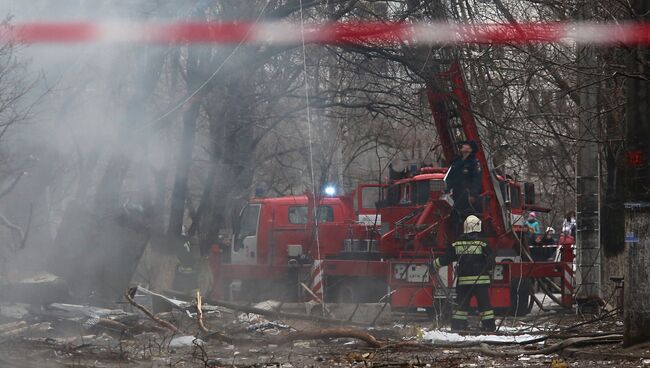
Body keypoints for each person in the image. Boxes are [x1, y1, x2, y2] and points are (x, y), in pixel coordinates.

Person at [432, 215, 496, 332]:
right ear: (478, 226)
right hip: (481, 282)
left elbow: (447, 258)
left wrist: (433, 265)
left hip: (464, 282)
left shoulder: (458, 243)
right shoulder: (483, 243)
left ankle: (458, 326)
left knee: (461, 306)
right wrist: (490, 274)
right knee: (484, 306)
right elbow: (491, 261)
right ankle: (489, 326)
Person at [445, 140, 483, 236]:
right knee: (454, 213)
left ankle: (471, 236)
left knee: (469, 215)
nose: (463, 146)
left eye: (466, 145)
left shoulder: (474, 163)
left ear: (470, 149)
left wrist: (473, 194)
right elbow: (450, 178)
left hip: (468, 194)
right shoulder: (456, 161)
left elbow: (477, 179)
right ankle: (456, 234)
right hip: (457, 194)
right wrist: (446, 190)